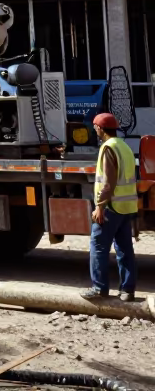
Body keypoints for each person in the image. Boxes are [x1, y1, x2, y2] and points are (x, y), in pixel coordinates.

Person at [81, 111, 138, 302]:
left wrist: (100, 206)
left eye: (95, 127)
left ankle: (99, 288)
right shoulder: (124, 146)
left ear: (99, 128)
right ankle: (127, 291)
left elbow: (108, 182)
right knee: (124, 249)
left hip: (112, 206)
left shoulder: (108, 148)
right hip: (127, 206)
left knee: (98, 246)